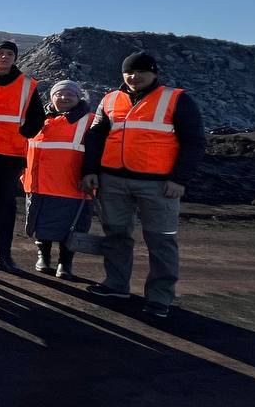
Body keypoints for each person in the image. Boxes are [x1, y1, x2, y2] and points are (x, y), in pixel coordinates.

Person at [80, 52, 205, 319]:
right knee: (116, 235)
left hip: (159, 185)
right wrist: (90, 170)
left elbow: (194, 142)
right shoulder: (110, 99)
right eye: (129, 72)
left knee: (161, 239)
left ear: (154, 73)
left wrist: (179, 179)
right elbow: (95, 136)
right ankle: (116, 285)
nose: (135, 77)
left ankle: (160, 297)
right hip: (113, 180)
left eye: (141, 71)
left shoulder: (176, 99)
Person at [0, 40, 44, 272]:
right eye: (0, 53)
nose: (4, 57)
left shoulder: (27, 85)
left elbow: (37, 117)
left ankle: (3, 254)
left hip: (10, 155)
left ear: (15, 58)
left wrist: (22, 133)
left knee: (6, 206)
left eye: (9, 54)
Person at [21, 80, 94, 279]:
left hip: (72, 186)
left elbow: (97, 152)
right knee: (41, 224)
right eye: (59, 94)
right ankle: (43, 256)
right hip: (39, 185)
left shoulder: (89, 121)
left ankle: (65, 262)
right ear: (51, 97)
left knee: (72, 226)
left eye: (70, 94)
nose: (63, 97)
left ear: (79, 97)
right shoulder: (38, 120)